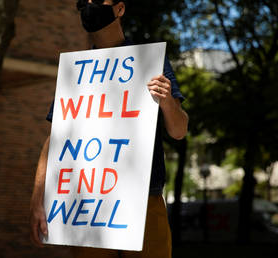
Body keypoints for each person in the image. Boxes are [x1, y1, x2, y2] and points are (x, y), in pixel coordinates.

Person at [30, 0, 188, 257]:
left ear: (120, 8)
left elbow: (179, 130)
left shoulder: (149, 62)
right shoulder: (78, 72)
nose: (89, 6)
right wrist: (37, 200)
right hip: (87, 208)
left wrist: (168, 101)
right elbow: (55, 138)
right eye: (84, 3)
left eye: (97, 0)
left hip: (145, 201)